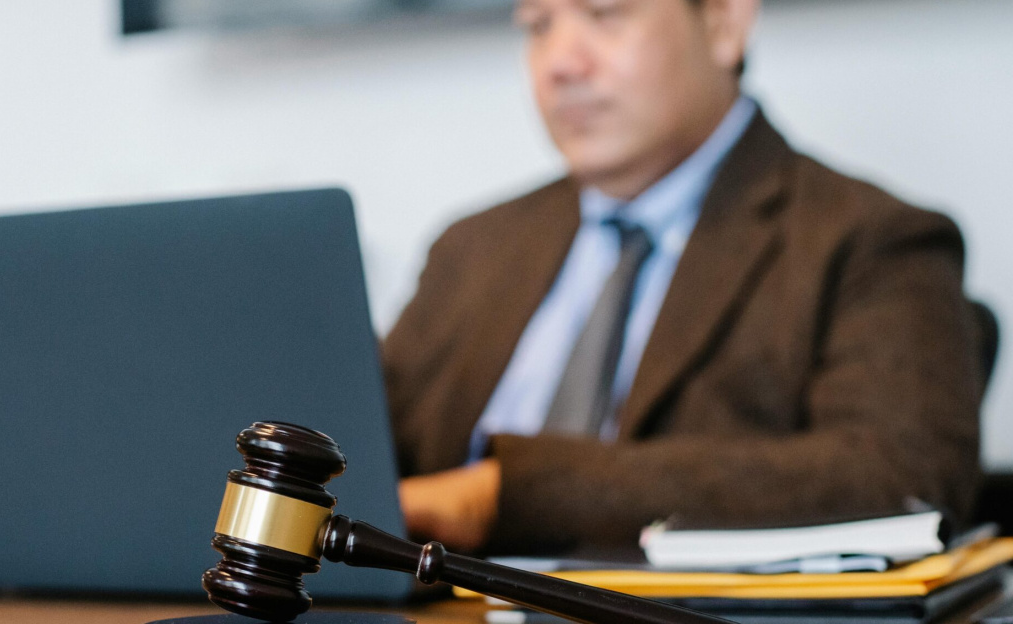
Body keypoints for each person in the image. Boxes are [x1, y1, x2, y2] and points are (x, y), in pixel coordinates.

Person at [382, 0, 982, 554]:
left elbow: (900, 477)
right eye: (538, 26)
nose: (561, 62)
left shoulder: (869, 241)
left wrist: (502, 495)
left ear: (723, 24)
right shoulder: (472, 248)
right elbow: (352, 443)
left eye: (604, 13)